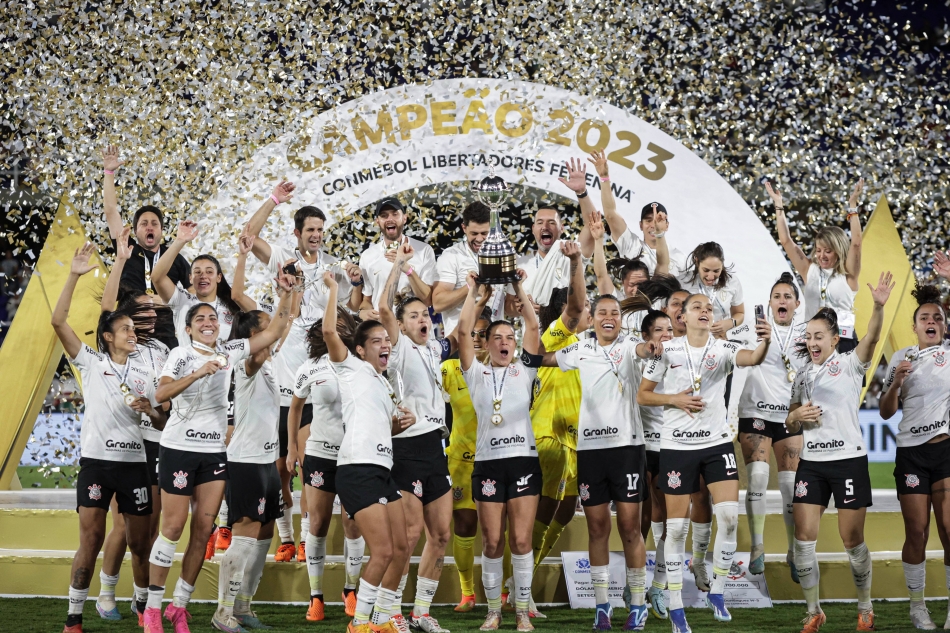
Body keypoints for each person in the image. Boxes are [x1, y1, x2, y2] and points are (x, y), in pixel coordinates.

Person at [141, 272, 293, 633]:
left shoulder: (229, 351)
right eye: (200, 319)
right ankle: (151, 608)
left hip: (213, 452)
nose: (208, 322)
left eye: (212, 318)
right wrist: (197, 373)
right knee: (173, 527)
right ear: (189, 328)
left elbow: (271, 334)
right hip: (178, 447)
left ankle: (179, 607)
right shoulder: (180, 355)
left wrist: (286, 295)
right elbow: (160, 396)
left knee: (203, 531)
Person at [638, 292, 772, 633]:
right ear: (682, 316)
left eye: (709, 308)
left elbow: (753, 357)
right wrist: (675, 399)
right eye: (697, 307)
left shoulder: (722, 349)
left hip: (716, 444)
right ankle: (676, 607)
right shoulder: (666, 350)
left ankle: (718, 593)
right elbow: (643, 394)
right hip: (676, 447)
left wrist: (765, 341)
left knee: (728, 517)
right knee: (677, 527)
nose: (705, 311)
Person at [242, 183, 361, 560]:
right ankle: (287, 536)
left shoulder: (333, 268)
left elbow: (352, 308)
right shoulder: (281, 257)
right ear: (297, 233)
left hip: (315, 380)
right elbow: (249, 235)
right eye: (310, 230)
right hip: (281, 381)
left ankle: (311, 542)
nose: (315, 236)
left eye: (320, 231)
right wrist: (273, 199)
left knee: (308, 463)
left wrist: (355, 284)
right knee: (279, 470)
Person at [53, 243, 167, 633]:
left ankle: (141, 606)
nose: (133, 333)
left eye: (134, 329)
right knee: (92, 540)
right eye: (126, 329)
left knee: (140, 545)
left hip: (135, 465)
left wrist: (149, 410)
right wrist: (73, 275)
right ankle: (74, 617)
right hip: (97, 465)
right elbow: (57, 321)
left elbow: (162, 422)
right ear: (107, 336)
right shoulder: (91, 361)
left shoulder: (145, 375)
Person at [538, 288, 662, 631]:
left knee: (629, 528)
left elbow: (643, 348)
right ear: (592, 318)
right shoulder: (580, 347)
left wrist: (649, 347)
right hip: (590, 450)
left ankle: (637, 604)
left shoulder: (630, 347)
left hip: (626, 449)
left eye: (615, 313)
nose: (609, 318)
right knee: (597, 528)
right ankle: (602, 607)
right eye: (603, 312)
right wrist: (527, 342)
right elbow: (544, 359)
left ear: (622, 321)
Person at [785, 272, 894, 633]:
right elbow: (790, 421)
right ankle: (814, 610)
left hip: (847, 460)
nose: (813, 342)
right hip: (812, 465)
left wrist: (878, 307)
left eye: (819, 337)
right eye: (809, 337)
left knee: (852, 540)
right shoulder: (801, 376)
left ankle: (865, 608)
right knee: (803, 539)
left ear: (835, 339)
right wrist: (795, 417)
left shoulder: (849, 364)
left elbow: (875, 336)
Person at [320, 271, 414, 633]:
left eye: (387, 339)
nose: (385, 344)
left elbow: (377, 426)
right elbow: (331, 333)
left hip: (381, 468)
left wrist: (396, 427)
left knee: (403, 548)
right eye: (376, 340)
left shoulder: (383, 382)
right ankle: (360, 624)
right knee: (385, 552)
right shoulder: (351, 368)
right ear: (360, 350)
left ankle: (382, 619)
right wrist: (332, 290)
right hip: (357, 468)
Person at [94, 229, 174, 623]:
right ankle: (106, 593)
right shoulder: (121, 345)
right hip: (129, 444)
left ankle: (141, 599)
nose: (149, 315)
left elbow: (166, 398)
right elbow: (107, 307)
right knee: (123, 525)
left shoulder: (161, 349)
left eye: (153, 311)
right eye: (142, 310)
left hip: (160, 441)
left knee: (148, 529)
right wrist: (122, 260)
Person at [378, 243, 455, 632]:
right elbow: (382, 309)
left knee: (440, 536)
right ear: (402, 324)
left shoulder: (434, 349)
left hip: (434, 448)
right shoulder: (401, 347)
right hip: (404, 447)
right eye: (414, 315)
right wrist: (398, 268)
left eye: (425, 314)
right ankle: (389, 611)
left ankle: (421, 612)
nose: (423, 318)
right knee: (407, 537)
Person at [459, 269, 542, 633]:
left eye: (510, 337)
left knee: (522, 539)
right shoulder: (475, 373)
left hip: (524, 461)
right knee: (492, 540)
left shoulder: (525, 370)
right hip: (488, 464)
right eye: (498, 337)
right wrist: (476, 292)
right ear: (487, 343)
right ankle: (493, 611)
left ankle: (522, 611)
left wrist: (517, 286)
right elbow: (463, 331)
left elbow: (534, 328)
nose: (506, 342)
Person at [211, 302, 291, 632]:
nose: (275, 328)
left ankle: (243, 606)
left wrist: (292, 294)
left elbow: (285, 325)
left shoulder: (270, 363)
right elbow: (279, 329)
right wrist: (286, 297)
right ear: (255, 335)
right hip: (245, 461)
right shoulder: (249, 362)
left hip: (266, 461)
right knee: (244, 534)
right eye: (267, 326)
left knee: (265, 532)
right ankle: (223, 612)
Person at [522, 241, 589, 618]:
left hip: (576, 440)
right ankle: (518, 588)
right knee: (546, 512)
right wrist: (578, 260)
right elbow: (577, 307)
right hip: (548, 435)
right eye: (585, 309)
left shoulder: (589, 346)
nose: (589, 313)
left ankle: (521, 579)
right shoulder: (554, 335)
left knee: (565, 512)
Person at [286, 308, 366, 622]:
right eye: (326, 324)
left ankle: (350, 589)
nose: (331, 328)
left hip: (354, 455)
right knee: (317, 525)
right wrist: (293, 446)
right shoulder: (308, 368)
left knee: (353, 524)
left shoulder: (361, 364)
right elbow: (295, 409)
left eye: (338, 322)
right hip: (319, 453)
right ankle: (316, 596)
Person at [879, 282, 950, 630]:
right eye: (924, 317)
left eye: (937, 317)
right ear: (915, 326)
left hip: (946, 449)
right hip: (911, 454)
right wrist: (895, 384)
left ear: (945, 325)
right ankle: (917, 606)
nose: (931, 321)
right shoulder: (900, 358)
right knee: (917, 532)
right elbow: (884, 412)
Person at [736, 272, 807, 579]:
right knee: (758, 479)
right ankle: (757, 547)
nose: (781, 301)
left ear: (797, 303)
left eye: (787, 297)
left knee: (791, 487)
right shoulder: (754, 329)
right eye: (776, 296)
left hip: (790, 416)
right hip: (755, 412)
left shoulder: (806, 335)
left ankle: (793, 551)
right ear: (768, 302)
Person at [768, 179, 865, 352]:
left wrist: (852, 206)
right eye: (818, 250)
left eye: (827, 251)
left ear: (838, 250)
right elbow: (786, 241)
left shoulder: (849, 275)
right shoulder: (809, 270)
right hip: (813, 342)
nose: (821, 255)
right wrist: (778, 205)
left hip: (843, 341)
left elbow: (856, 243)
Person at [443, 300, 493, 613]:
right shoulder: (448, 369)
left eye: (483, 334)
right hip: (459, 461)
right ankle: (467, 593)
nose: (476, 339)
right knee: (464, 526)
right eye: (471, 333)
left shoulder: (504, 370)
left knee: (496, 530)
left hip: (495, 459)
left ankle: (499, 592)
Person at [101, 146, 191, 300]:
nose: (150, 226)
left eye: (154, 224)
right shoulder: (126, 248)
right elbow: (110, 210)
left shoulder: (173, 257)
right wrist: (109, 173)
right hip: (131, 320)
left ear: (162, 230)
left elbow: (195, 290)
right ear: (135, 231)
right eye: (144, 224)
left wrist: (176, 304)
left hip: (166, 321)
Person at [578, 150, 685, 276]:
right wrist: (604, 178)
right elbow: (610, 214)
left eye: (658, 220)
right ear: (640, 225)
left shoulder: (679, 257)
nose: (653, 225)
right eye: (648, 220)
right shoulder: (631, 245)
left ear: (667, 225)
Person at [151, 220, 251, 346]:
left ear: (219, 277)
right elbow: (157, 277)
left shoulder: (232, 307)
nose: (203, 276)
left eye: (209, 272)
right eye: (197, 272)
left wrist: (243, 255)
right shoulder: (182, 301)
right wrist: (179, 241)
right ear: (190, 278)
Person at [355, 197, 436, 320]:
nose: (390, 219)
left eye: (395, 214)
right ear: (377, 221)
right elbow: (367, 299)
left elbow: (428, 299)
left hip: (414, 332)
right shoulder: (368, 256)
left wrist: (407, 269)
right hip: (382, 331)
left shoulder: (424, 250)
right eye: (384, 215)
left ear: (404, 218)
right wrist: (363, 311)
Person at [431, 201, 505, 333]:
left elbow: (509, 306)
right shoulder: (451, 256)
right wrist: (472, 288)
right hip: (460, 341)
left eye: (484, 233)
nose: (480, 239)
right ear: (464, 228)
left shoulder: (504, 255)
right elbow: (438, 303)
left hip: (494, 341)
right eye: (474, 233)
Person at [676, 242, 745, 341]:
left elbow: (740, 313)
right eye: (706, 270)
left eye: (716, 271)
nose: (711, 277)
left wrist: (730, 323)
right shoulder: (682, 282)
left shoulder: (732, 282)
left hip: (719, 341)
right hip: (690, 341)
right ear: (697, 261)